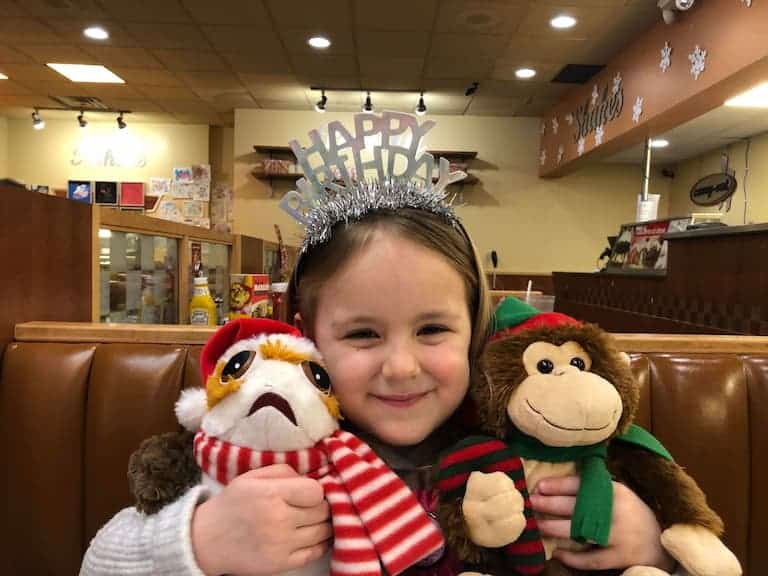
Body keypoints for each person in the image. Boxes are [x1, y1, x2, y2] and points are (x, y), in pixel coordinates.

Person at [81, 116, 677, 576]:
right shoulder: (264, 433)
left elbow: (698, 542)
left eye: (433, 330)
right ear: (307, 337)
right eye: (362, 334)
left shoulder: (530, 433)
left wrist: (653, 544)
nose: (401, 366)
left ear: (474, 328)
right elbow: (97, 561)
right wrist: (201, 540)